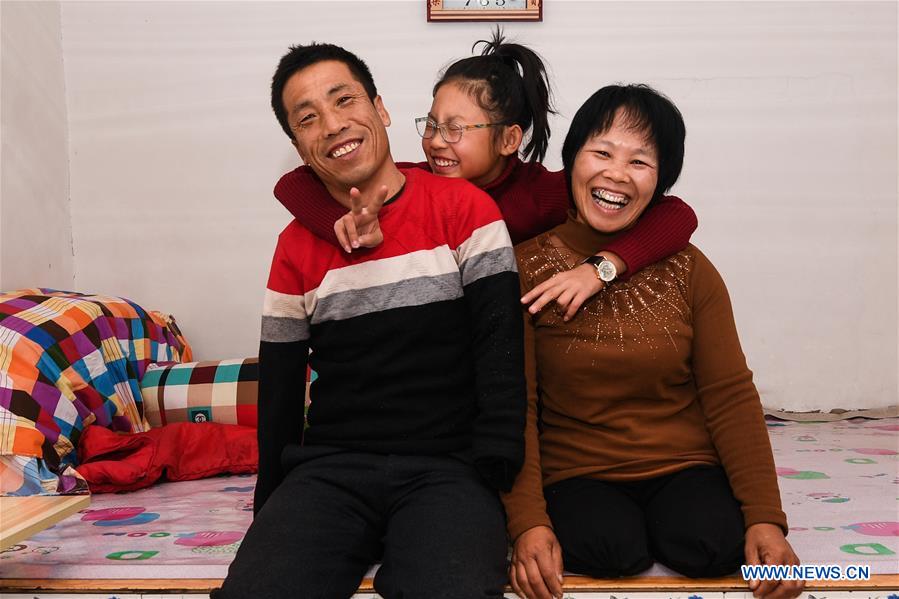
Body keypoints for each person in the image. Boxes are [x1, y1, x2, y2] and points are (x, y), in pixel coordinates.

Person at [215, 42, 526, 598]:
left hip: (447, 468)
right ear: (297, 144)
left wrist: (497, 466)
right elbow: (281, 386)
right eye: (307, 118)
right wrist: (272, 505)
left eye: (344, 100)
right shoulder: (295, 247)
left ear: (380, 108)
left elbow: (498, 346)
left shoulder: (464, 210)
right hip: (331, 468)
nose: (332, 125)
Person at [503, 85, 804, 599]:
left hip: (684, 464)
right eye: (601, 153)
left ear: (661, 180)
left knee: (712, 546)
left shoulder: (690, 268)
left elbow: (730, 394)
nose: (616, 174)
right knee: (610, 550)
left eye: (640, 161)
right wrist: (528, 523)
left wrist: (766, 519)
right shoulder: (522, 267)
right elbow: (515, 405)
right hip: (576, 470)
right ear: (571, 161)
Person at [273, 31, 698, 322]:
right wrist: (342, 228)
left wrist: (600, 268)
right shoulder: (415, 184)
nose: (437, 142)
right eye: (432, 125)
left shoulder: (543, 194)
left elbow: (676, 214)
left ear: (508, 139)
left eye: (455, 130)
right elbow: (292, 183)